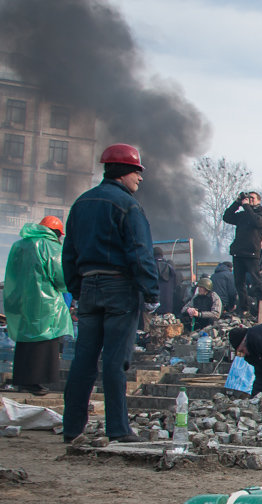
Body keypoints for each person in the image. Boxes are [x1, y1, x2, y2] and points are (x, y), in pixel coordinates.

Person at [61, 143, 158, 443]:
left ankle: (72, 428)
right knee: (116, 362)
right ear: (123, 172)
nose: (140, 178)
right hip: (120, 289)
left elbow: (69, 254)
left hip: (88, 288)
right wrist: (151, 293)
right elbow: (140, 252)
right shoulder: (128, 206)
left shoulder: (81, 204)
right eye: (137, 172)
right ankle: (117, 429)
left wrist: (78, 289)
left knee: (83, 361)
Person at [3, 216, 72, 395]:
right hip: (46, 303)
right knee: (44, 342)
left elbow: (11, 274)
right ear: (56, 233)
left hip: (21, 301)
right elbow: (61, 276)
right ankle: (36, 382)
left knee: (25, 341)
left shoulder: (20, 245)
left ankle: (23, 381)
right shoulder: (50, 247)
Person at [223, 190, 262, 314]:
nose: (250, 200)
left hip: (252, 253)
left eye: (253, 198)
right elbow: (227, 217)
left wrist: (246, 206)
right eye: (248, 198)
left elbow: (257, 222)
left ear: (259, 201)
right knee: (239, 283)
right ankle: (244, 308)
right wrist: (237, 203)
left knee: (256, 281)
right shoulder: (243, 215)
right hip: (238, 252)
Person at [152, 246, 181, 317]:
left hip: (153, 307)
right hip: (168, 307)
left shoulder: (150, 268)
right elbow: (175, 286)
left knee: (150, 327)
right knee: (166, 327)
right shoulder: (171, 269)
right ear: (162, 255)